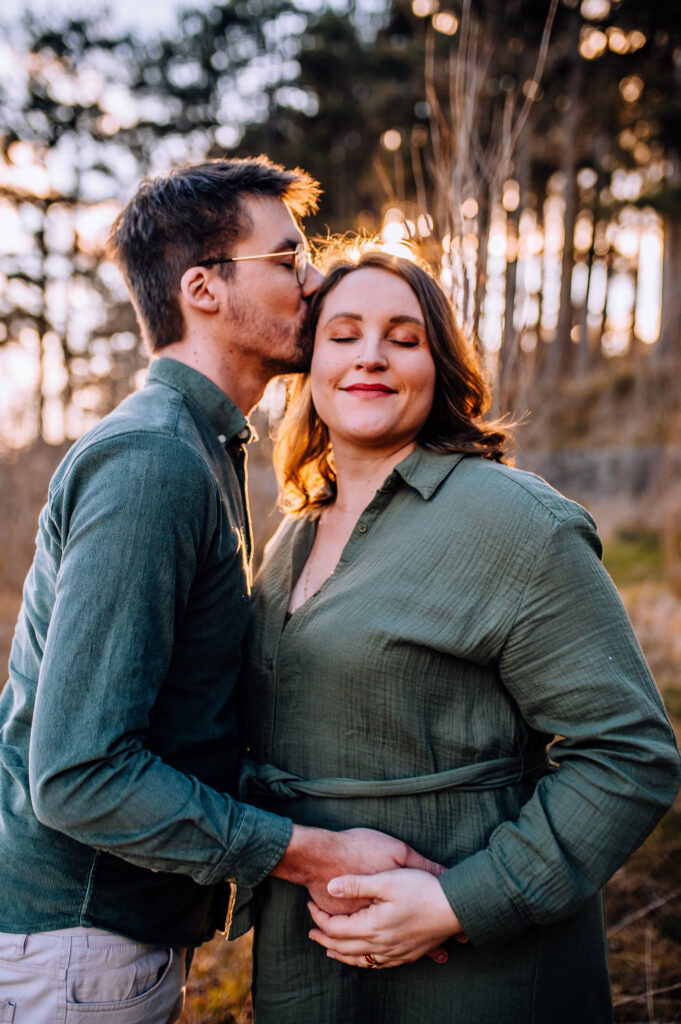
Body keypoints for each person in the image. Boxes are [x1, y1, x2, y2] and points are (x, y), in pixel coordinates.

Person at [0, 163, 441, 1024]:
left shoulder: (200, 447)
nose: (312, 281)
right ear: (203, 288)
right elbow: (79, 775)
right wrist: (308, 853)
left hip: (95, 939)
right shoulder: (154, 462)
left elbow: (179, 720)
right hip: (73, 946)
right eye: (288, 259)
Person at [241, 248, 681, 1023]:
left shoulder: (515, 521)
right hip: (310, 956)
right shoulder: (292, 534)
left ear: (440, 366)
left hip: (478, 974)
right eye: (343, 334)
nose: (370, 355)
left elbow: (627, 756)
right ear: (308, 360)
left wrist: (459, 902)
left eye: (403, 338)